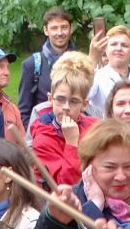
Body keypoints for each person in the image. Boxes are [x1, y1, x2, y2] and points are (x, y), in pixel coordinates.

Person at [29, 52, 97, 186]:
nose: (66, 107)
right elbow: (66, 184)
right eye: (60, 99)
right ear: (50, 99)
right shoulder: (43, 140)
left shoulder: (95, 127)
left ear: (84, 104)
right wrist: (71, 143)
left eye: (74, 101)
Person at [85, 24, 130, 119]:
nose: (118, 48)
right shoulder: (96, 77)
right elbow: (82, 96)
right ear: (105, 49)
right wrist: (91, 59)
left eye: (124, 45)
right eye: (114, 44)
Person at [17, 8, 75, 112]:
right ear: (46, 30)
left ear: (71, 29)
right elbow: (24, 110)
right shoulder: (31, 65)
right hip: (43, 125)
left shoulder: (80, 62)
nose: (60, 32)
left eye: (64, 27)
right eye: (54, 28)